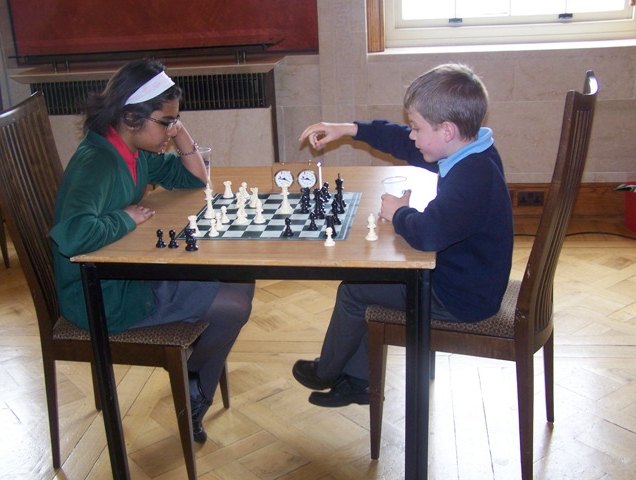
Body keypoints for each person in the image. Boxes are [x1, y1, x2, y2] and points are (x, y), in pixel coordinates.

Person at [50, 59, 255, 442]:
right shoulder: (97, 162)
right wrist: (125, 219)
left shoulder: (133, 150)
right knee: (234, 306)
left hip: (125, 271)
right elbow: (73, 234)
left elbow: (196, 179)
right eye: (165, 122)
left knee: (241, 279)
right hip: (102, 297)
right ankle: (193, 385)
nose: (172, 128)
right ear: (131, 118)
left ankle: (194, 379)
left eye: (174, 121)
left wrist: (179, 134)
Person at [293, 63, 513, 407]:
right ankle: (357, 380)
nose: (411, 135)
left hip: (460, 298)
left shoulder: (472, 177)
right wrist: (349, 129)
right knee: (369, 280)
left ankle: (329, 372)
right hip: (466, 279)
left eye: (416, 127)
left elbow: (428, 235)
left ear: (446, 131)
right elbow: (402, 141)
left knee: (355, 291)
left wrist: (399, 212)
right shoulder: (472, 151)